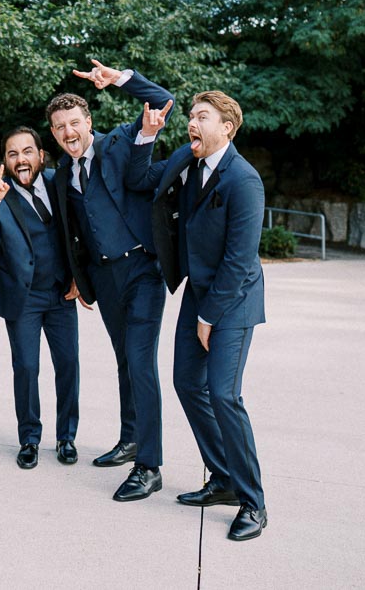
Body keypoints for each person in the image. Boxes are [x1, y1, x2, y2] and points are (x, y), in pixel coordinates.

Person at [127, 91, 268, 541]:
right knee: (187, 382)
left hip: (233, 300)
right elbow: (141, 180)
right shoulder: (190, 163)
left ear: (227, 126)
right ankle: (223, 477)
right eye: (191, 116)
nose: (192, 122)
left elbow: (240, 260)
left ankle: (254, 502)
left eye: (202, 116)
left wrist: (208, 315)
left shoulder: (244, 181)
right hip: (199, 293)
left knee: (225, 395)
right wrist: (148, 136)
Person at [46, 60, 174, 502]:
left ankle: (150, 466)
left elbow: (162, 103)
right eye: (60, 127)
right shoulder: (62, 172)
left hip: (141, 270)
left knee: (140, 361)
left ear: (89, 123)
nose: (68, 132)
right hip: (104, 277)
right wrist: (82, 278)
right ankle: (131, 438)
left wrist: (120, 79)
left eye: (75, 123)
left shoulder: (120, 143)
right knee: (124, 359)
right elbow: (71, 229)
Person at [0, 127, 83, 470]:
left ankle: (66, 437)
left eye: (26, 152)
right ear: (5, 162)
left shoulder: (59, 182)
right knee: (26, 368)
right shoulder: (0, 194)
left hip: (61, 293)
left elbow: (81, 230)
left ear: (40, 155)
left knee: (68, 365)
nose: (20, 159)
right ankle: (29, 438)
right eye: (12, 154)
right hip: (23, 298)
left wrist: (81, 278)